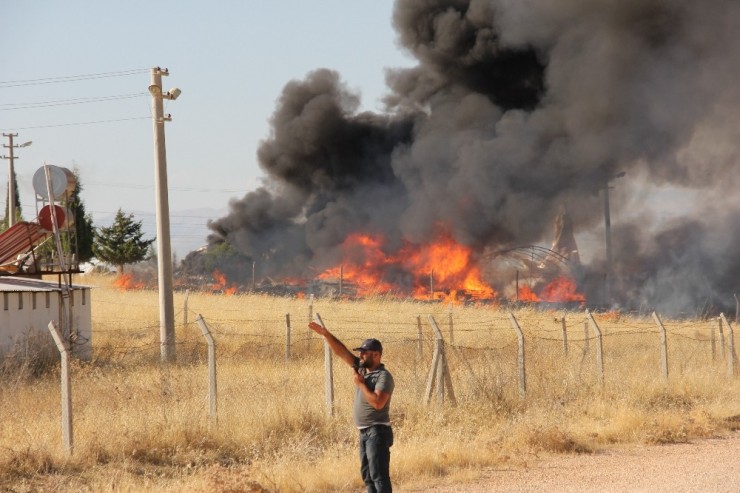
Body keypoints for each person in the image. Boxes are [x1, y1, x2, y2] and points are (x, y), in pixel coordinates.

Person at [308, 321, 395, 493]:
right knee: (368, 478)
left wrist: (361, 385)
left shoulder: (383, 376)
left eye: (365, 353)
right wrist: (326, 334)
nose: (361, 356)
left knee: (379, 477)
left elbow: (378, 403)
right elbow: (342, 352)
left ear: (376, 355)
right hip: (364, 432)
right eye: (360, 353)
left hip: (377, 432)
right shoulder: (362, 370)